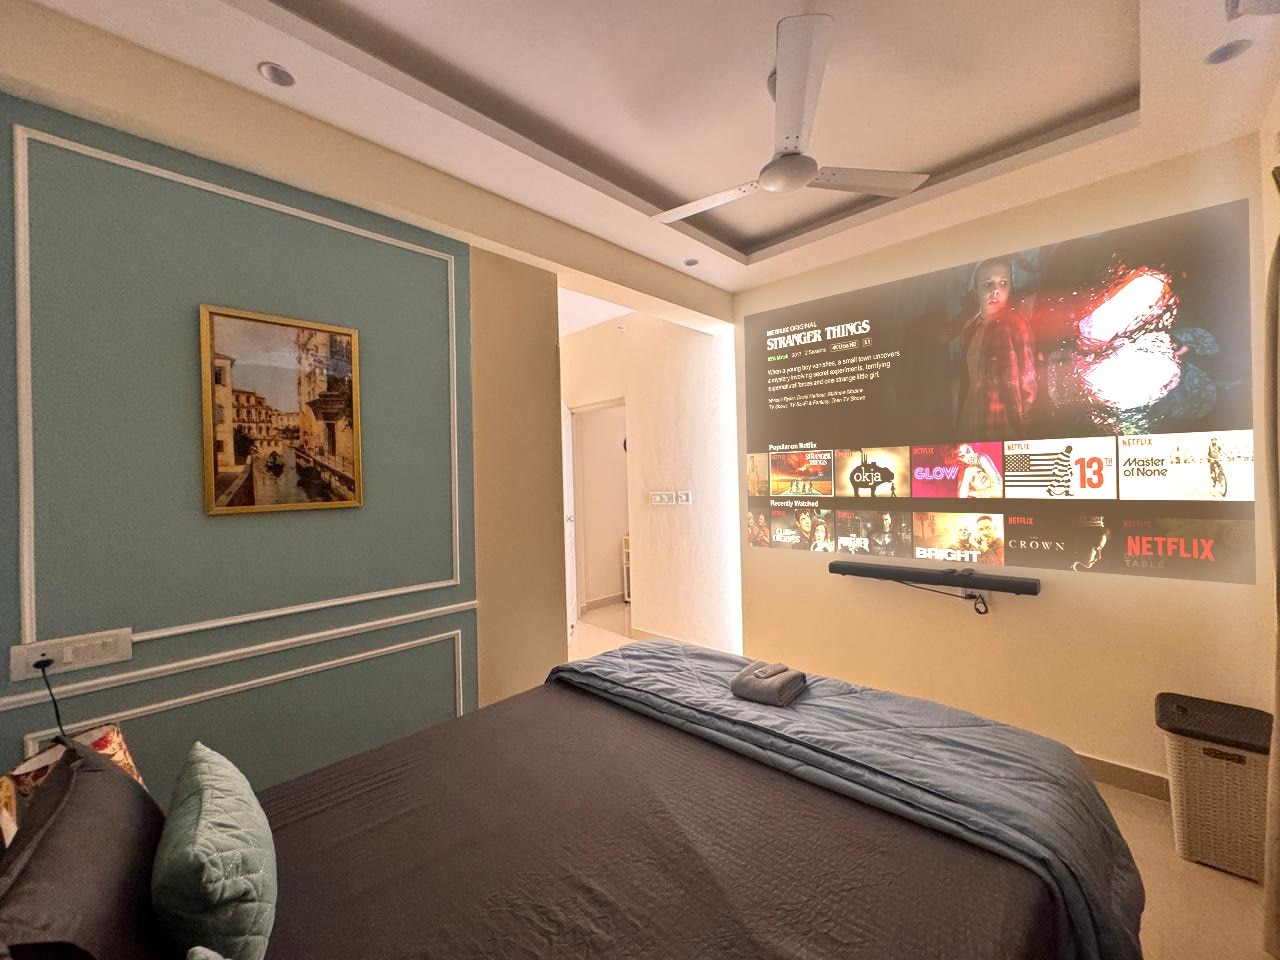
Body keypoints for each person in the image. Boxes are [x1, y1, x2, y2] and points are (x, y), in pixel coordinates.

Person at [956, 257, 1038, 439]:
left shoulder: (1015, 324)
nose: (995, 290)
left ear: (1010, 288)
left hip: (1001, 422)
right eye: (987, 284)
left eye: (1003, 283)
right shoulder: (971, 330)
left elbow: (1029, 378)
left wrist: (1024, 418)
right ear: (975, 293)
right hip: (971, 415)